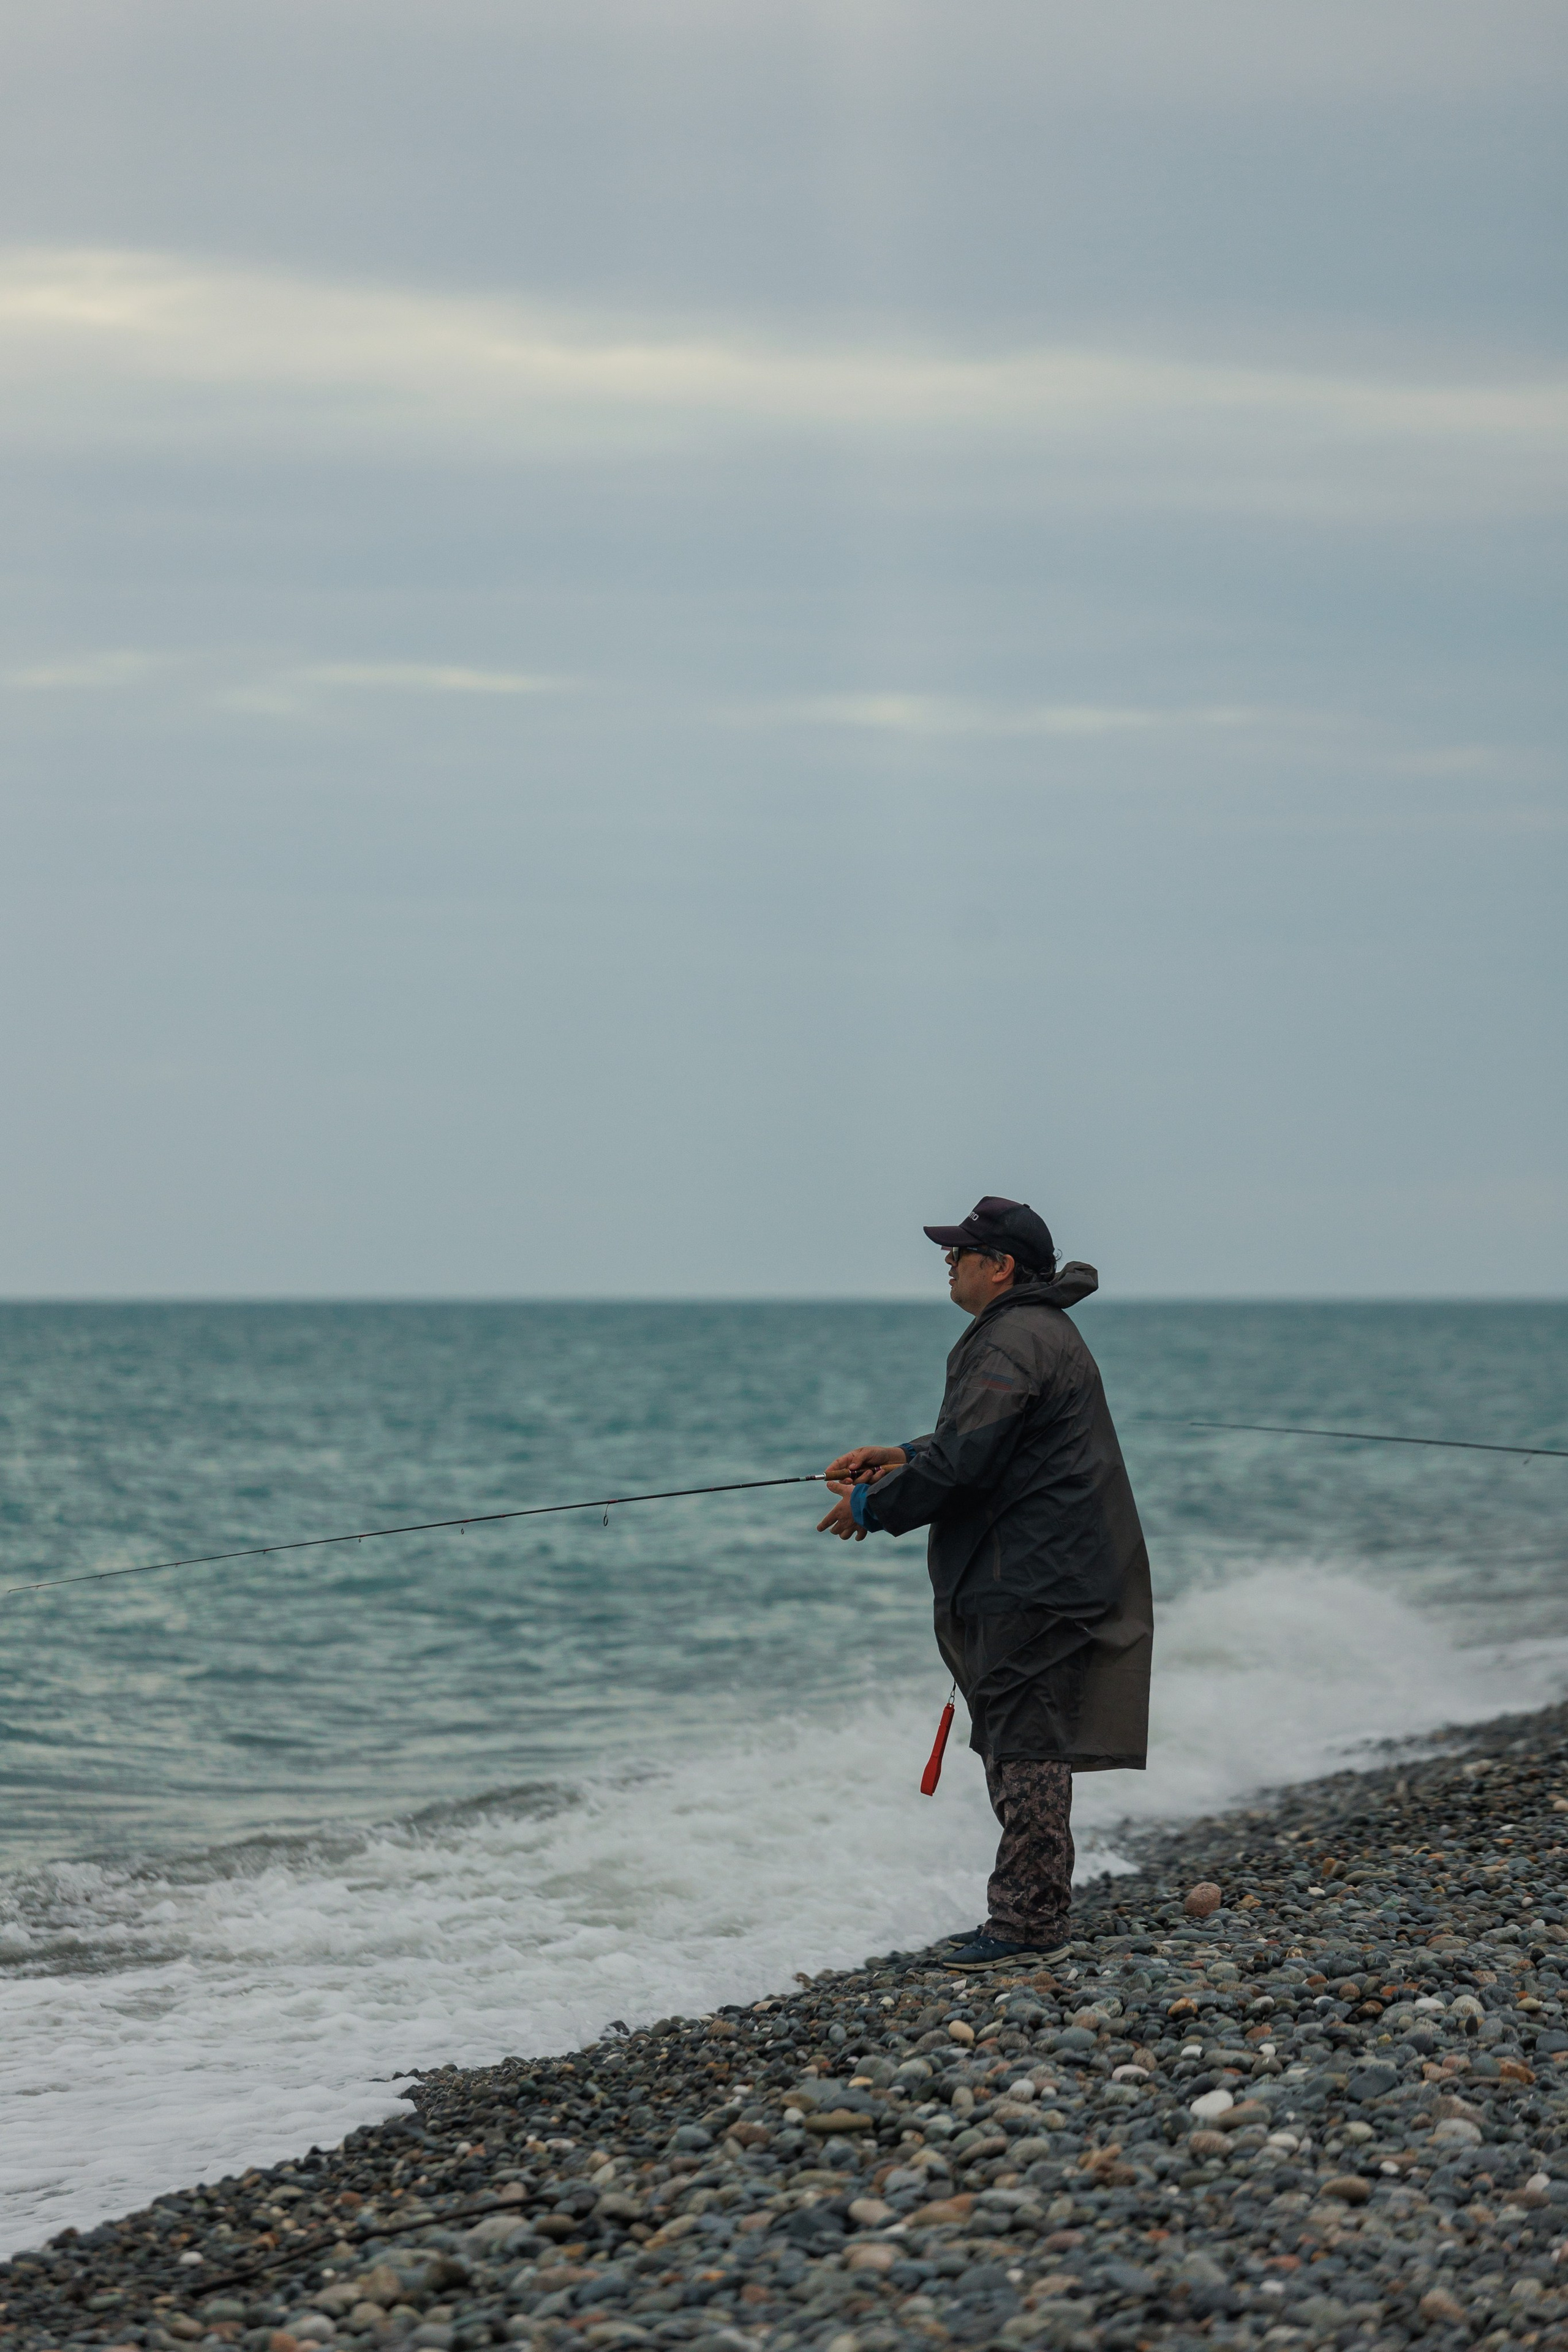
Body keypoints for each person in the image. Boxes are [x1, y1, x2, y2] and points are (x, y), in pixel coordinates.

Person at [817, 1195, 1153, 1969]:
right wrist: (901, 1455)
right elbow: (982, 1439)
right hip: (1044, 1570)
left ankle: (1025, 1926)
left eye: (960, 1251)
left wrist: (871, 1505)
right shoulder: (1033, 1330)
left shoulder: (1009, 1337)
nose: (948, 1260)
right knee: (1020, 1738)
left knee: (1026, 1743)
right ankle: (1030, 1916)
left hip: (1030, 1578)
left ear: (998, 1266)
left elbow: (969, 1461)